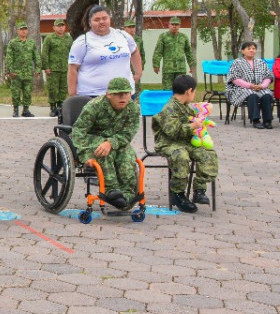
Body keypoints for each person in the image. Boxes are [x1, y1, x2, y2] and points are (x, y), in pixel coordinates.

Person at [71, 77, 141, 210]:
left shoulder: (133, 108)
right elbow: (78, 132)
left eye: (126, 93)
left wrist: (111, 142)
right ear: (109, 94)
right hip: (92, 139)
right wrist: (86, 155)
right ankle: (111, 190)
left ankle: (127, 194)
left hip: (116, 141)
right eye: (118, 94)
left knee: (128, 154)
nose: (122, 97)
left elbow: (128, 133)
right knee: (103, 150)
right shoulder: (94, 106)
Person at [152, 74, 218, 212]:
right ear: (189, 91)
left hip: (186, 142)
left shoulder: (185, 107)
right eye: (194, 92)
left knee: (208, 154)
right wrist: (193, 126)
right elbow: (172, 132)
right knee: (181, 156)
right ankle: (178, 193)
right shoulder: (169, 108)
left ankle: (199, 190)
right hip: (169, 143)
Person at [68, 5, 142, 97]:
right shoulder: (83, 42)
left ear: (109, 19)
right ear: (90, 22)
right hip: (93, 95)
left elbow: (134, 51)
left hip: (124, 93)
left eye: (104, 18)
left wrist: (138, 73)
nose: (101, 22)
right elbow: (73, 69)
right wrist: (73, 95)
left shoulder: (123, 36)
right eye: (97, 20)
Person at [226, 41, 274, 129]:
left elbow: (268, 76)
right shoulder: (237, 62)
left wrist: (262, 86)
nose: (251, 50)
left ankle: (267, 121)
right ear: (242, 51)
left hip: (260, 87)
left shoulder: (261, 62)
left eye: (253, 49)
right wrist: (250, 86)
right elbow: (234, 78)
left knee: (267, 95)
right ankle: (255, 120)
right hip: (241, 88)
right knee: (252, 95)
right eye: (249, 49)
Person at [5, 21, 40, 117]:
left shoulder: (31, 43)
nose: (24, 31)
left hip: (28, 72)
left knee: (27, 92)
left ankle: (26, 110)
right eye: (21, 29)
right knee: (15, 92)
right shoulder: (13, 43)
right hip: (16, 73)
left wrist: (37, 69)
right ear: (18, 31)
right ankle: (15, 110)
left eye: (25, 29)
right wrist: (10, 71)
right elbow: (9, 57)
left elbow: (36, 56)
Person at [41, 19, 72, 117]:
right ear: (54, 27)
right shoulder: (49, 39)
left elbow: (72, 53)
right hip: (53, 69)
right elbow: (45, 53)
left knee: (63, 89)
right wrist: (46, 67)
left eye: (62, 26)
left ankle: (61, 108)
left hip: (65, 68)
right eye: (58, 26)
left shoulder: (68, 38)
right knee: (53, 89)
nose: (60, 28)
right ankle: (53, 108)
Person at [153, 16, 195, 87]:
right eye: (172, 24)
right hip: (168, 69)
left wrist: (191, 65)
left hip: (180, 68)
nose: (174, 26)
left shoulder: (184, 37)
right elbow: (158, 51)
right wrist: (156, 65)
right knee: (167, 89)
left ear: (179, 26)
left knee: (181, 89)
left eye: (176, 24)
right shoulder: (163, 37)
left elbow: (188, 52)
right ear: (169, 25)